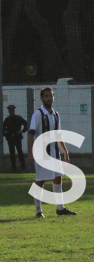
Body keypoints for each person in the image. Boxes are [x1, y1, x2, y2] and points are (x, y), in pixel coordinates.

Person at [26, 87, 76, 218]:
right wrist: (30, 153)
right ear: (42, 98)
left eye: (51, 96)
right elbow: (31, 134)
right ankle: (38, 211)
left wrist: (65, 152)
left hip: (54, 153)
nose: (49, 98)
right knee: (41, 180)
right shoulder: (38, 114)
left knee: (58, 178)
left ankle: (60, 208)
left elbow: (58, 135)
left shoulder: (55, 115)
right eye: (46, 96)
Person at [4, 104, 28, 170]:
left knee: (19, 151)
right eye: (10, 111)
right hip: (10, 138)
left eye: (12, 111)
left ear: (14, 111)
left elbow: (26, 124)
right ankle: (13, 166)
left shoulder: (18, 118)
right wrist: (6, 135)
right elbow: (3, 129)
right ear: (9, 111)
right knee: (12, 152)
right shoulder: (7, 120)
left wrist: (22, 131)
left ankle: (23, 165)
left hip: (17, 137)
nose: (11, 112)